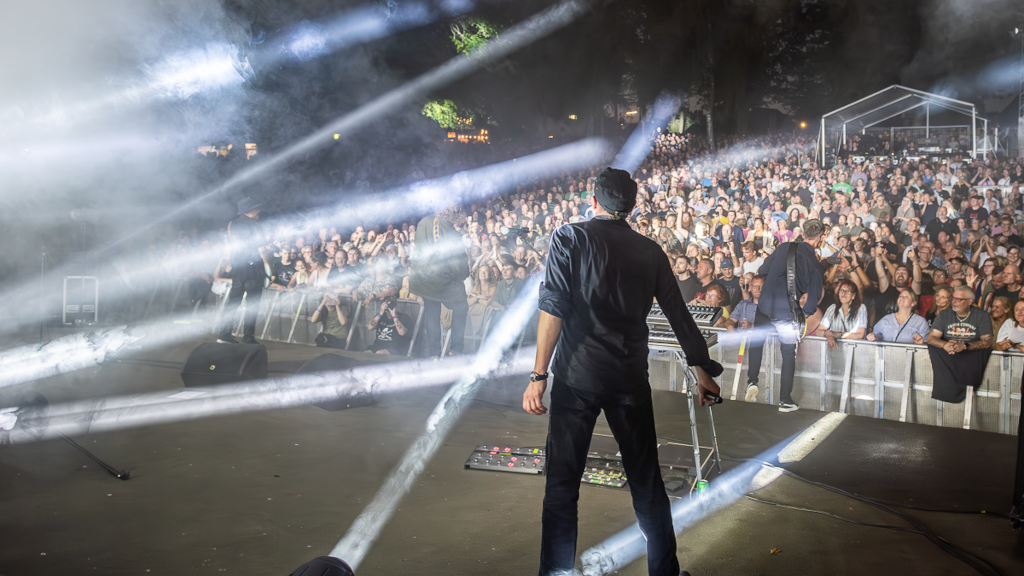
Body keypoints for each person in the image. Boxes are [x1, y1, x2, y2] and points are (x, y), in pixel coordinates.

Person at [522, 167, 722, 576]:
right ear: (631, 207)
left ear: (593, 201)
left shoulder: (569, 237)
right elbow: (679, 314)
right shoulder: (650, 251)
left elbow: (553, 308)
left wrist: (539, 375)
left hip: (577, 378)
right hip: (628, 378)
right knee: (647, 485)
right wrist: (701, 367)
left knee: (562, 487)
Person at [743, 219, 827, 411]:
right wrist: (804, 312)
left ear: (803, 234)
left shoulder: (784, 248)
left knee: (757, 342)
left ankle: (752, 380)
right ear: (821, 238)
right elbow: (812, 303)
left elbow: (763, 270)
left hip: (765, 305)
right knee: (788, 354)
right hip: (787, 313)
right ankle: (785, 400)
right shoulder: (815, 264)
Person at [409, 204, 471, 357]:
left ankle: (434, 353)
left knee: (432, 313)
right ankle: (455, 350)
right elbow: (456, 259)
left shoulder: (423, 222)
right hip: (443, 279)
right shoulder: (448, 229)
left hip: (424, 278)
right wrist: (464, 273)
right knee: (461, 306)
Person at [926, 285, 993, 403]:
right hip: (947, 358)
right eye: (953, 298)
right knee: (933, 346)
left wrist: (965, 346)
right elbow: (931, 338)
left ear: (970, 301)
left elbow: (987, 342)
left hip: (970, 362)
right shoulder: (944, 314)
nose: (954, 302)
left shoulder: (981, 315)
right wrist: (944, 345)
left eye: (958, 299)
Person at [218, 197, 271, 345]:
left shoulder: (232, 224)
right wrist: (269, 268)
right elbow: (261, 250)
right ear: (250, 209)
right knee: (252, 304)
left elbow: (236, 245)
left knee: (233, 302)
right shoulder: (256, 226)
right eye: (256, 208)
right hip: (253, 269)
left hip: (238, 268)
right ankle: (248, 337)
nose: (259, 210)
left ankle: (224, 334)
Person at [816, 279, 867, 349]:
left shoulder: (861, 308)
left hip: (856, 350)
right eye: (842, 290)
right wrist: (828, 334)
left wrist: (837, 334)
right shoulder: (832, 308)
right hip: (836, 350)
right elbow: (818, 331)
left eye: (847, 291)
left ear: (853, 296)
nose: (844, 293)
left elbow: (860, 335)